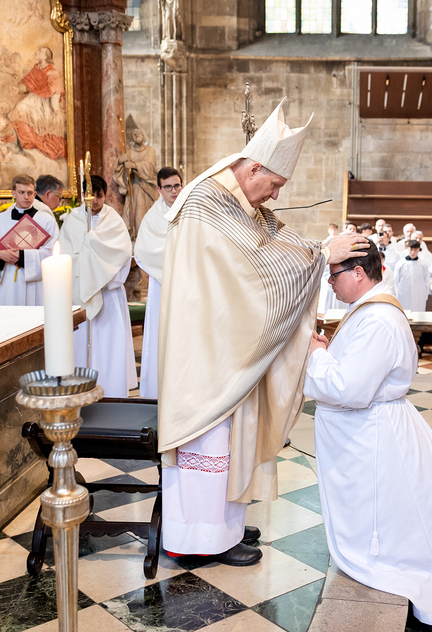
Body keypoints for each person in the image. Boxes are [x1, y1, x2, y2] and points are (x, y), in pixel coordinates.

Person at [157, 99, 369, 566]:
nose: (274, 196)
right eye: (274, 185)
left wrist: (319, 251)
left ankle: (225, 527)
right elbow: (253, 268)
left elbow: (281, 245)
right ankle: (200, 540)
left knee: (234, 439)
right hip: (207, 351)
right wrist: (322, 254)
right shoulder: (207, 201)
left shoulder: (243, 204)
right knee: (209, 441)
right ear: (254, 169)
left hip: (231, 345)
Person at [305, 244, 432, 630]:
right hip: (369, 428)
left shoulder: (379, 319)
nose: (330, 283)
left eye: (334, 275)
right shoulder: (368, 310)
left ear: (358, 273)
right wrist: (329, 352)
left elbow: (350, 388)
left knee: (395, 510)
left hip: (373, 433)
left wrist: (316, 355)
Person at [59, 176, 136, 397]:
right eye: (90, 196)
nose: (94, 201)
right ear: (82, 195)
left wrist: (101, 270)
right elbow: (65, 254)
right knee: (82, 343)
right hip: (80, 294)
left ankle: (111, 389)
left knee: (109, 344)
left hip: (108, 293)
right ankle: (79, 388)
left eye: (99, 196)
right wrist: (85, 260)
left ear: (105, 196)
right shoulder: (72, 220)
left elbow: (123, 253)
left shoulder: (113, 220)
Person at [133, 166, 183, 399]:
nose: (174, 191)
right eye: (168, 187)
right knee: (162, 336)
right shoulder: (153, 218)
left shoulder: (192, 209)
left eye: (177, 185)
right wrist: (177, 254)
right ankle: (159, 390)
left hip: (189, 284)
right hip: (163, 286)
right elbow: (143, 252)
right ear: (159, 189)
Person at [0, 175, 58, 306]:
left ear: (35, 194)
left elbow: (52, 254)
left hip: (35, 285)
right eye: (21, 192)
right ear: (13, 194)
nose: (26, 197)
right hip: (9, 282)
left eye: (29, 193)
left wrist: (22, 256)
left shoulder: (46, 221)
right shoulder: (0, 221)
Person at [394, 239, 430, 312]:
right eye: (411, 250)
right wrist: (396, 294)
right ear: (408, 249)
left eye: (415, 250)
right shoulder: (401, 263)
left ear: (419, 250)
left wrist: (425, 295)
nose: (413, 252)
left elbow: (427, 280)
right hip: (403, 294)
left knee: (418, 312)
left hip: (419, 294)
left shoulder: (423, 264)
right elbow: (396, 280)